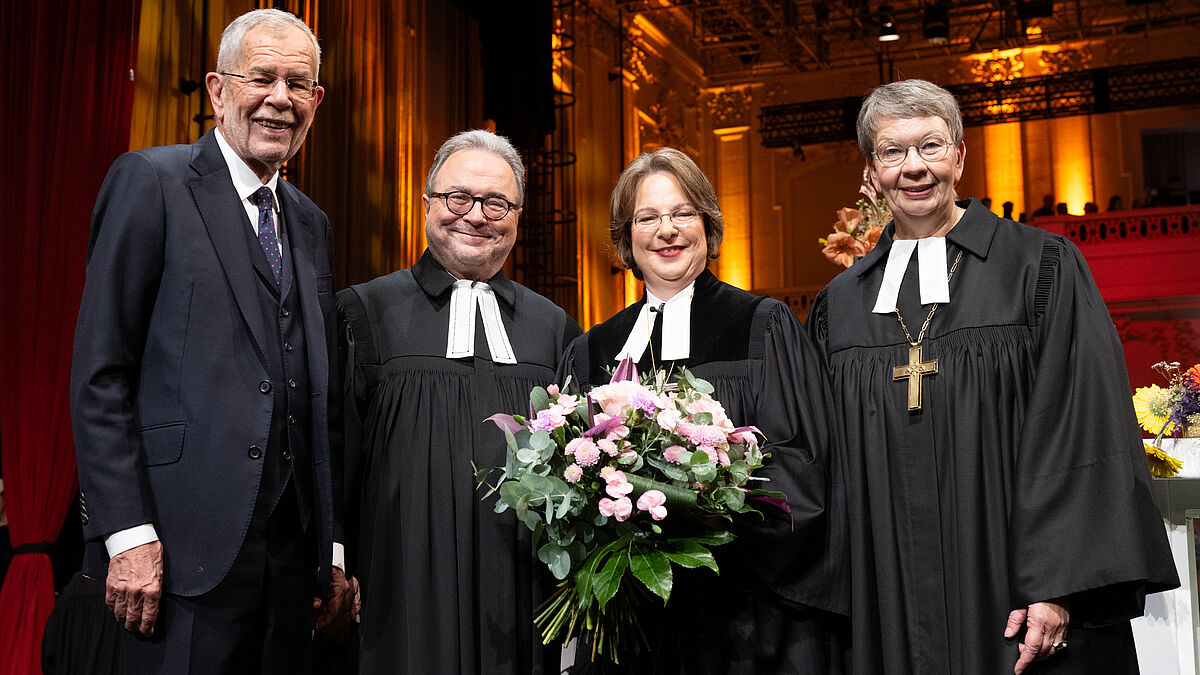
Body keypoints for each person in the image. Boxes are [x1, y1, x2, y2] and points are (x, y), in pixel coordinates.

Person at [807, 79, 1177, 675]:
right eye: (892, 152)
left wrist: (1057, 584)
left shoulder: (1039, 267)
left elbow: (1080, 426)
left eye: (930, 145)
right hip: (889, 605)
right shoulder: (841, 303)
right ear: (871, 173)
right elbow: (820, 462)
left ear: (959, 155)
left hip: (1014, 587)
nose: (914, 167)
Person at [70, 9, 353, 671]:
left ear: (316, 103)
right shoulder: (151, 183)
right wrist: (128, 532)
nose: (280, 98)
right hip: (173, 557)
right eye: (261, 78)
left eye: (298, 84)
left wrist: (331, 548)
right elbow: (100, 374)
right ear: (217, 90)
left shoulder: (312, 224)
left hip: (289, 572)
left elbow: (322, 400)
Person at [559, 148, 848, 673]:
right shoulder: (593, 349)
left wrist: (705, 521)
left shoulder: (763, 325)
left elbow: (801, 463)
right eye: (647, 218)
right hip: (635, 616)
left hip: (746, 614)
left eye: (682, 213)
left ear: (707, 225)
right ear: (627, 238)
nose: (666, 231)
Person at [337, 129, 581, 673]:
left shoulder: (556, 330)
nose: (475, 215)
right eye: (458, 198)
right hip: (399, 578)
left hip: (525, 588)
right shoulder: (364, 312)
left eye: (496, 202)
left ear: (517, 216)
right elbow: (334, 456)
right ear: (426, 205)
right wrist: (333, 563)